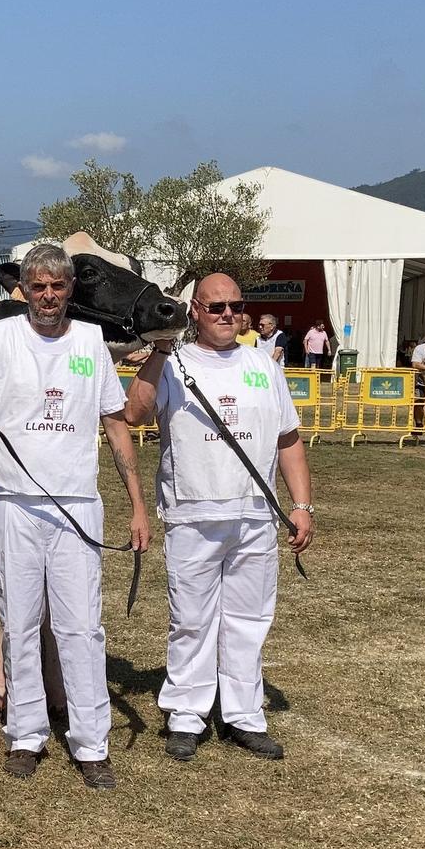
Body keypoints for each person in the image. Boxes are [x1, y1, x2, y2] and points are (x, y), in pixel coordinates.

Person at [0, 241, 151, 789]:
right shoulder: (1, 337)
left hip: (77, 504)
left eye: (58, 286)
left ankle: (90, 743)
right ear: (23, 290)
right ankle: (25, 735)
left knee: (81, 627)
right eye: (38, 287)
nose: (48, 296)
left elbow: (115, 423)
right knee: (20, 622)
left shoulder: (91, 341)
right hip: (12, 504)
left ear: (69, 289)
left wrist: (137, 505)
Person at [121, 273, 313, 762]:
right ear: (195, 312)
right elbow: (135, 414)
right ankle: (186, 715)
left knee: (249, 620)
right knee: (191, 620)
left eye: (235, 306)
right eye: (215, 307)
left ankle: (244, 716)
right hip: (193, 512)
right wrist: (160, 351)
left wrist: (301, 505)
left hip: (254, 514)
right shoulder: (172, 363)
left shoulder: (263, 365)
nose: (227, 314)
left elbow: (287, 438)